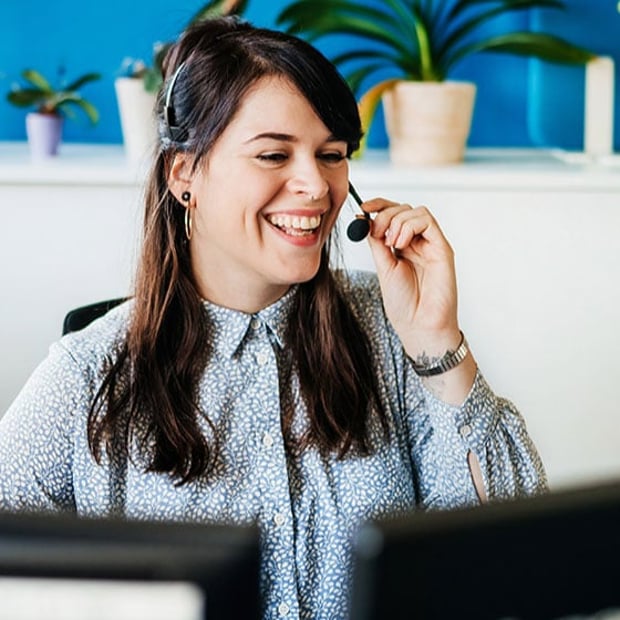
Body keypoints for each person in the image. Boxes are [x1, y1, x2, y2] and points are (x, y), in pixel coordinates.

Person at [0, 16, 546, 620]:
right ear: (185, 174)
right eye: (273, 154)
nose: (315, 184)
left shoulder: (392, 331)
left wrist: (437, 347)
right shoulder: (89, 374)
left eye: (333, 154)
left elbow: (518, 571)